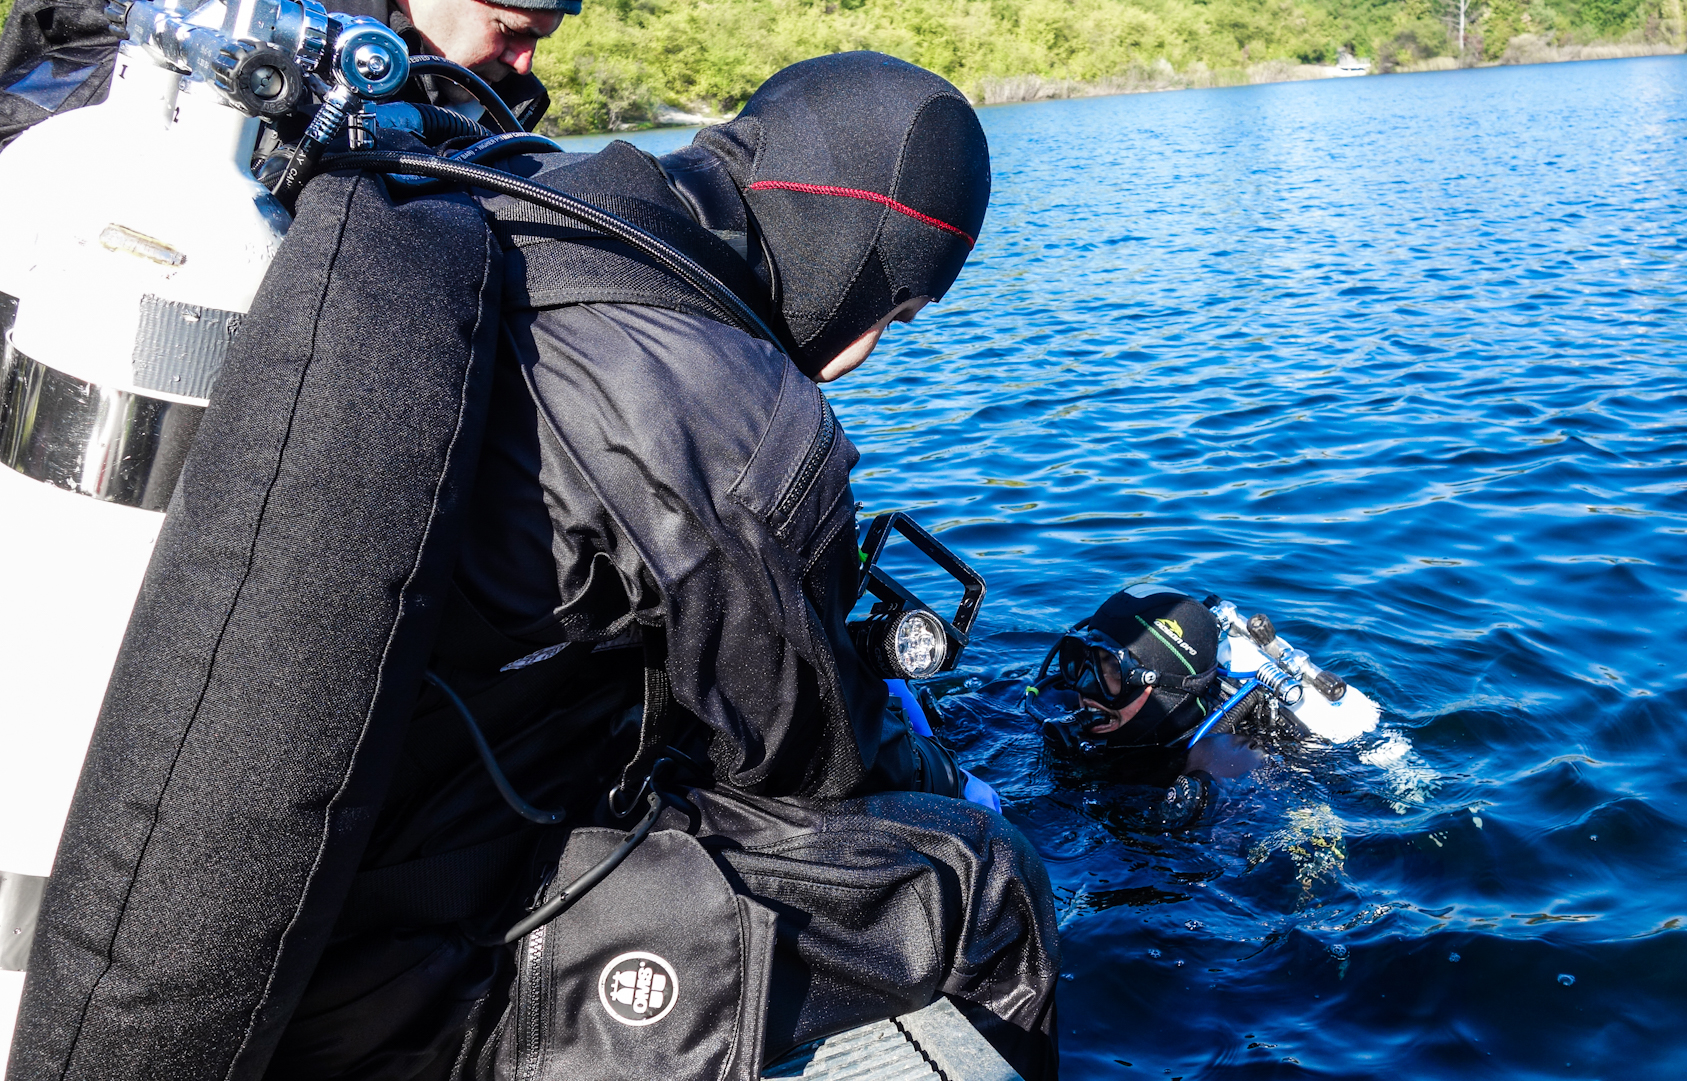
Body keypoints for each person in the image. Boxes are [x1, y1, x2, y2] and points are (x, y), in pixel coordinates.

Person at [9, 51, 1056, 1081]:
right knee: (980, 882)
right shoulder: (744, 423)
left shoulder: (519, 197)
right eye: (894, 307)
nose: (863, 349)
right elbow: (814, 771)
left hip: (222, 873)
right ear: (858, 256)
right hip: (397, 992)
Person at [0, 0, 567, 148]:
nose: (524, 62)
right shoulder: (214, 17)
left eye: (539, 40)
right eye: (510, 28)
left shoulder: (499, 104)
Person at [1024, 585, 1270, 830]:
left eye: (1111, 671)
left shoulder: (1210, 768)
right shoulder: (1049, 700)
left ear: (1163, 692)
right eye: (1081, 661)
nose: (1085, 687)